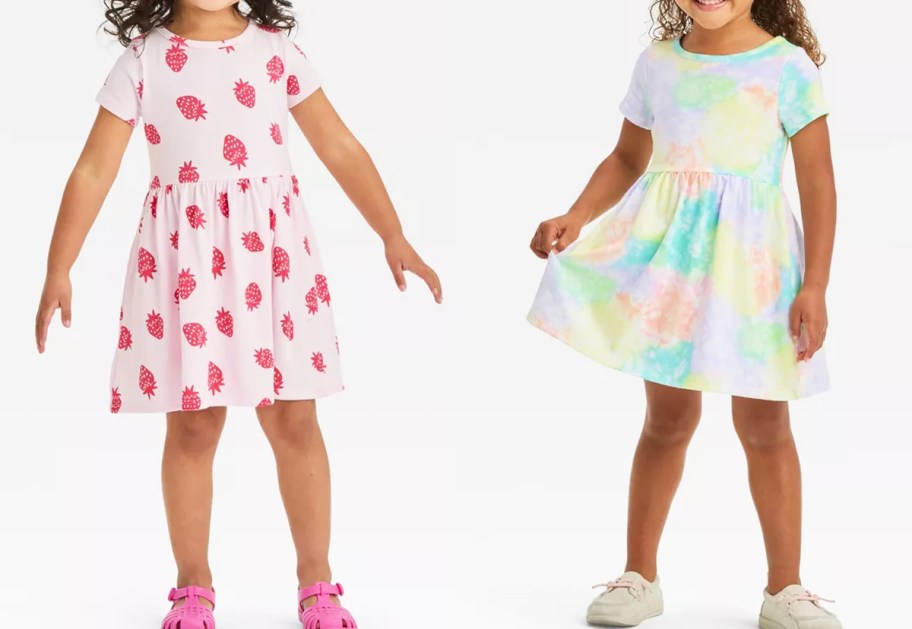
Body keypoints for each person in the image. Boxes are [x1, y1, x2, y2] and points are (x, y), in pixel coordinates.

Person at [35, 1, 441, 627]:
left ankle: (317, 580)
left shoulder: (276, 52)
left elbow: (338, 144)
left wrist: (393, 233)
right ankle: (192, 583)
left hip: (272, 262)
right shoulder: (142, 61)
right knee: (194, 427)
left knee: (294, 420)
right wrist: (59, 266)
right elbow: (94, 169)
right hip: (187, 263)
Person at [528, 1, 838, 627]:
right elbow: (626, 159)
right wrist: (576, 215)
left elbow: (818, 179)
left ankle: (787, 589)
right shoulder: (659, 63)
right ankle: (639, 576)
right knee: (666, 421)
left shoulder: (787, 67)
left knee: (765, 428)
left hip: (753, 272)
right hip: (670, 264)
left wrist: (817, 286)